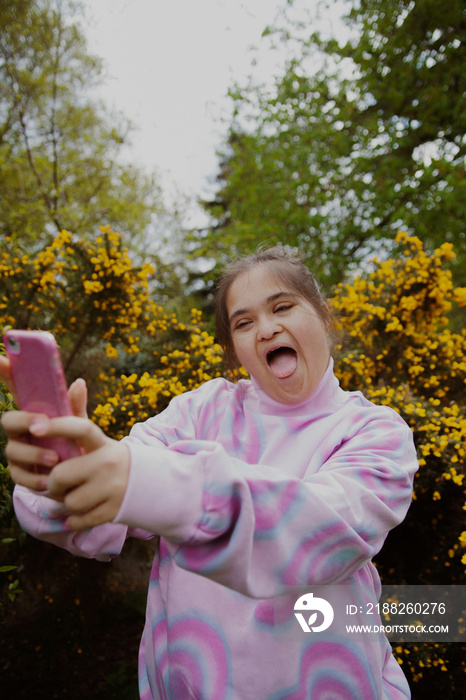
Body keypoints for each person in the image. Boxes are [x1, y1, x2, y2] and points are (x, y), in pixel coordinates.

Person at [1, 247, 418, 699]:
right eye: (244, 322)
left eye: (282, 307)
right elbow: (105, 499)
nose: (267, 329)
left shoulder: (375, 431)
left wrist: (146, 483)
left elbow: (315, 531)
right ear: (234, 349)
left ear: (322, 316)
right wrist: (60, 475)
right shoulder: (201, 410)